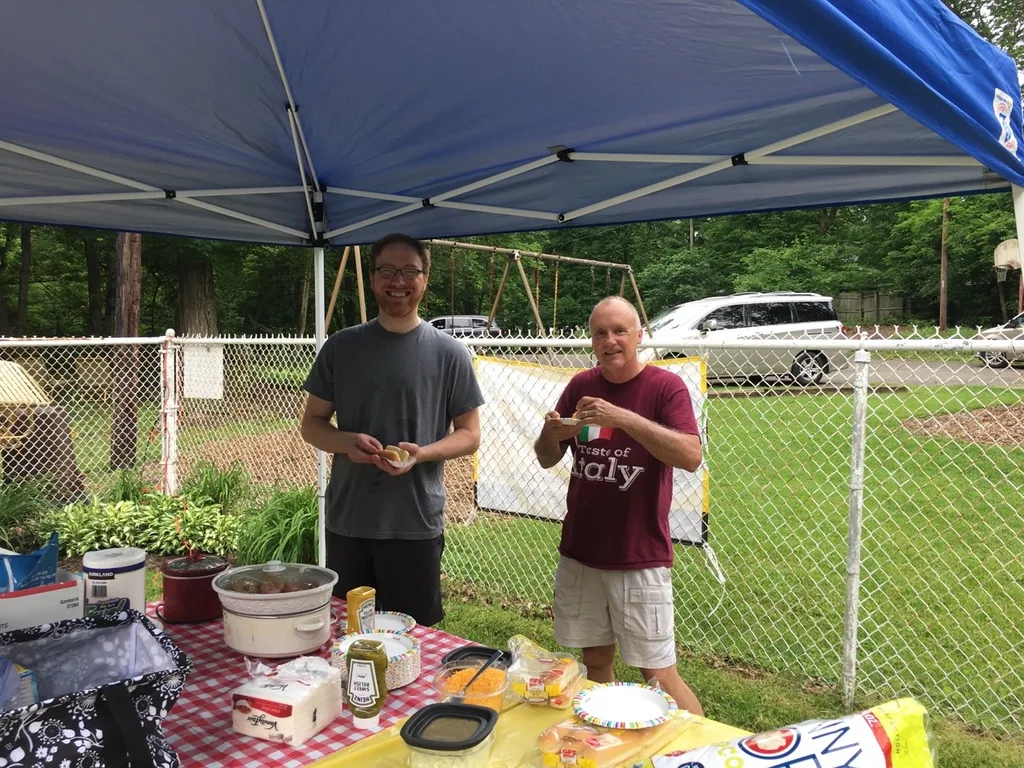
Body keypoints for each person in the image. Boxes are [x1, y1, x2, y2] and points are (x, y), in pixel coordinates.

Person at [300, 233, 484, 627]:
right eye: (387, 270)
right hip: (349, 520)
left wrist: (421, 453)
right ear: (371, 278)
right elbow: (311, 425)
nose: (397, 281)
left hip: (414, 523)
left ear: (425, 279)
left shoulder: (449, 353)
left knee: (414, 638)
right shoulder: (341, 347)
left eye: (409, 272)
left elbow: (470, 435)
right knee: (349, 635)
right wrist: (346, 442)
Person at [533, 296, 705, 715]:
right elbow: (546, 456)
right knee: (595, 663)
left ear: (639, 336)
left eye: (619, 331)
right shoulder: (580, 385)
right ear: (591, 340)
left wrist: (623, 418)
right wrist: (552, 432)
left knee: (658, 674)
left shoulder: (665, 386)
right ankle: (610, 746)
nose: (609, 341)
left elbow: (690, 455)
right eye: (600, 333)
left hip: (639, 556)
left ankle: (704, 754)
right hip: (582, 553)